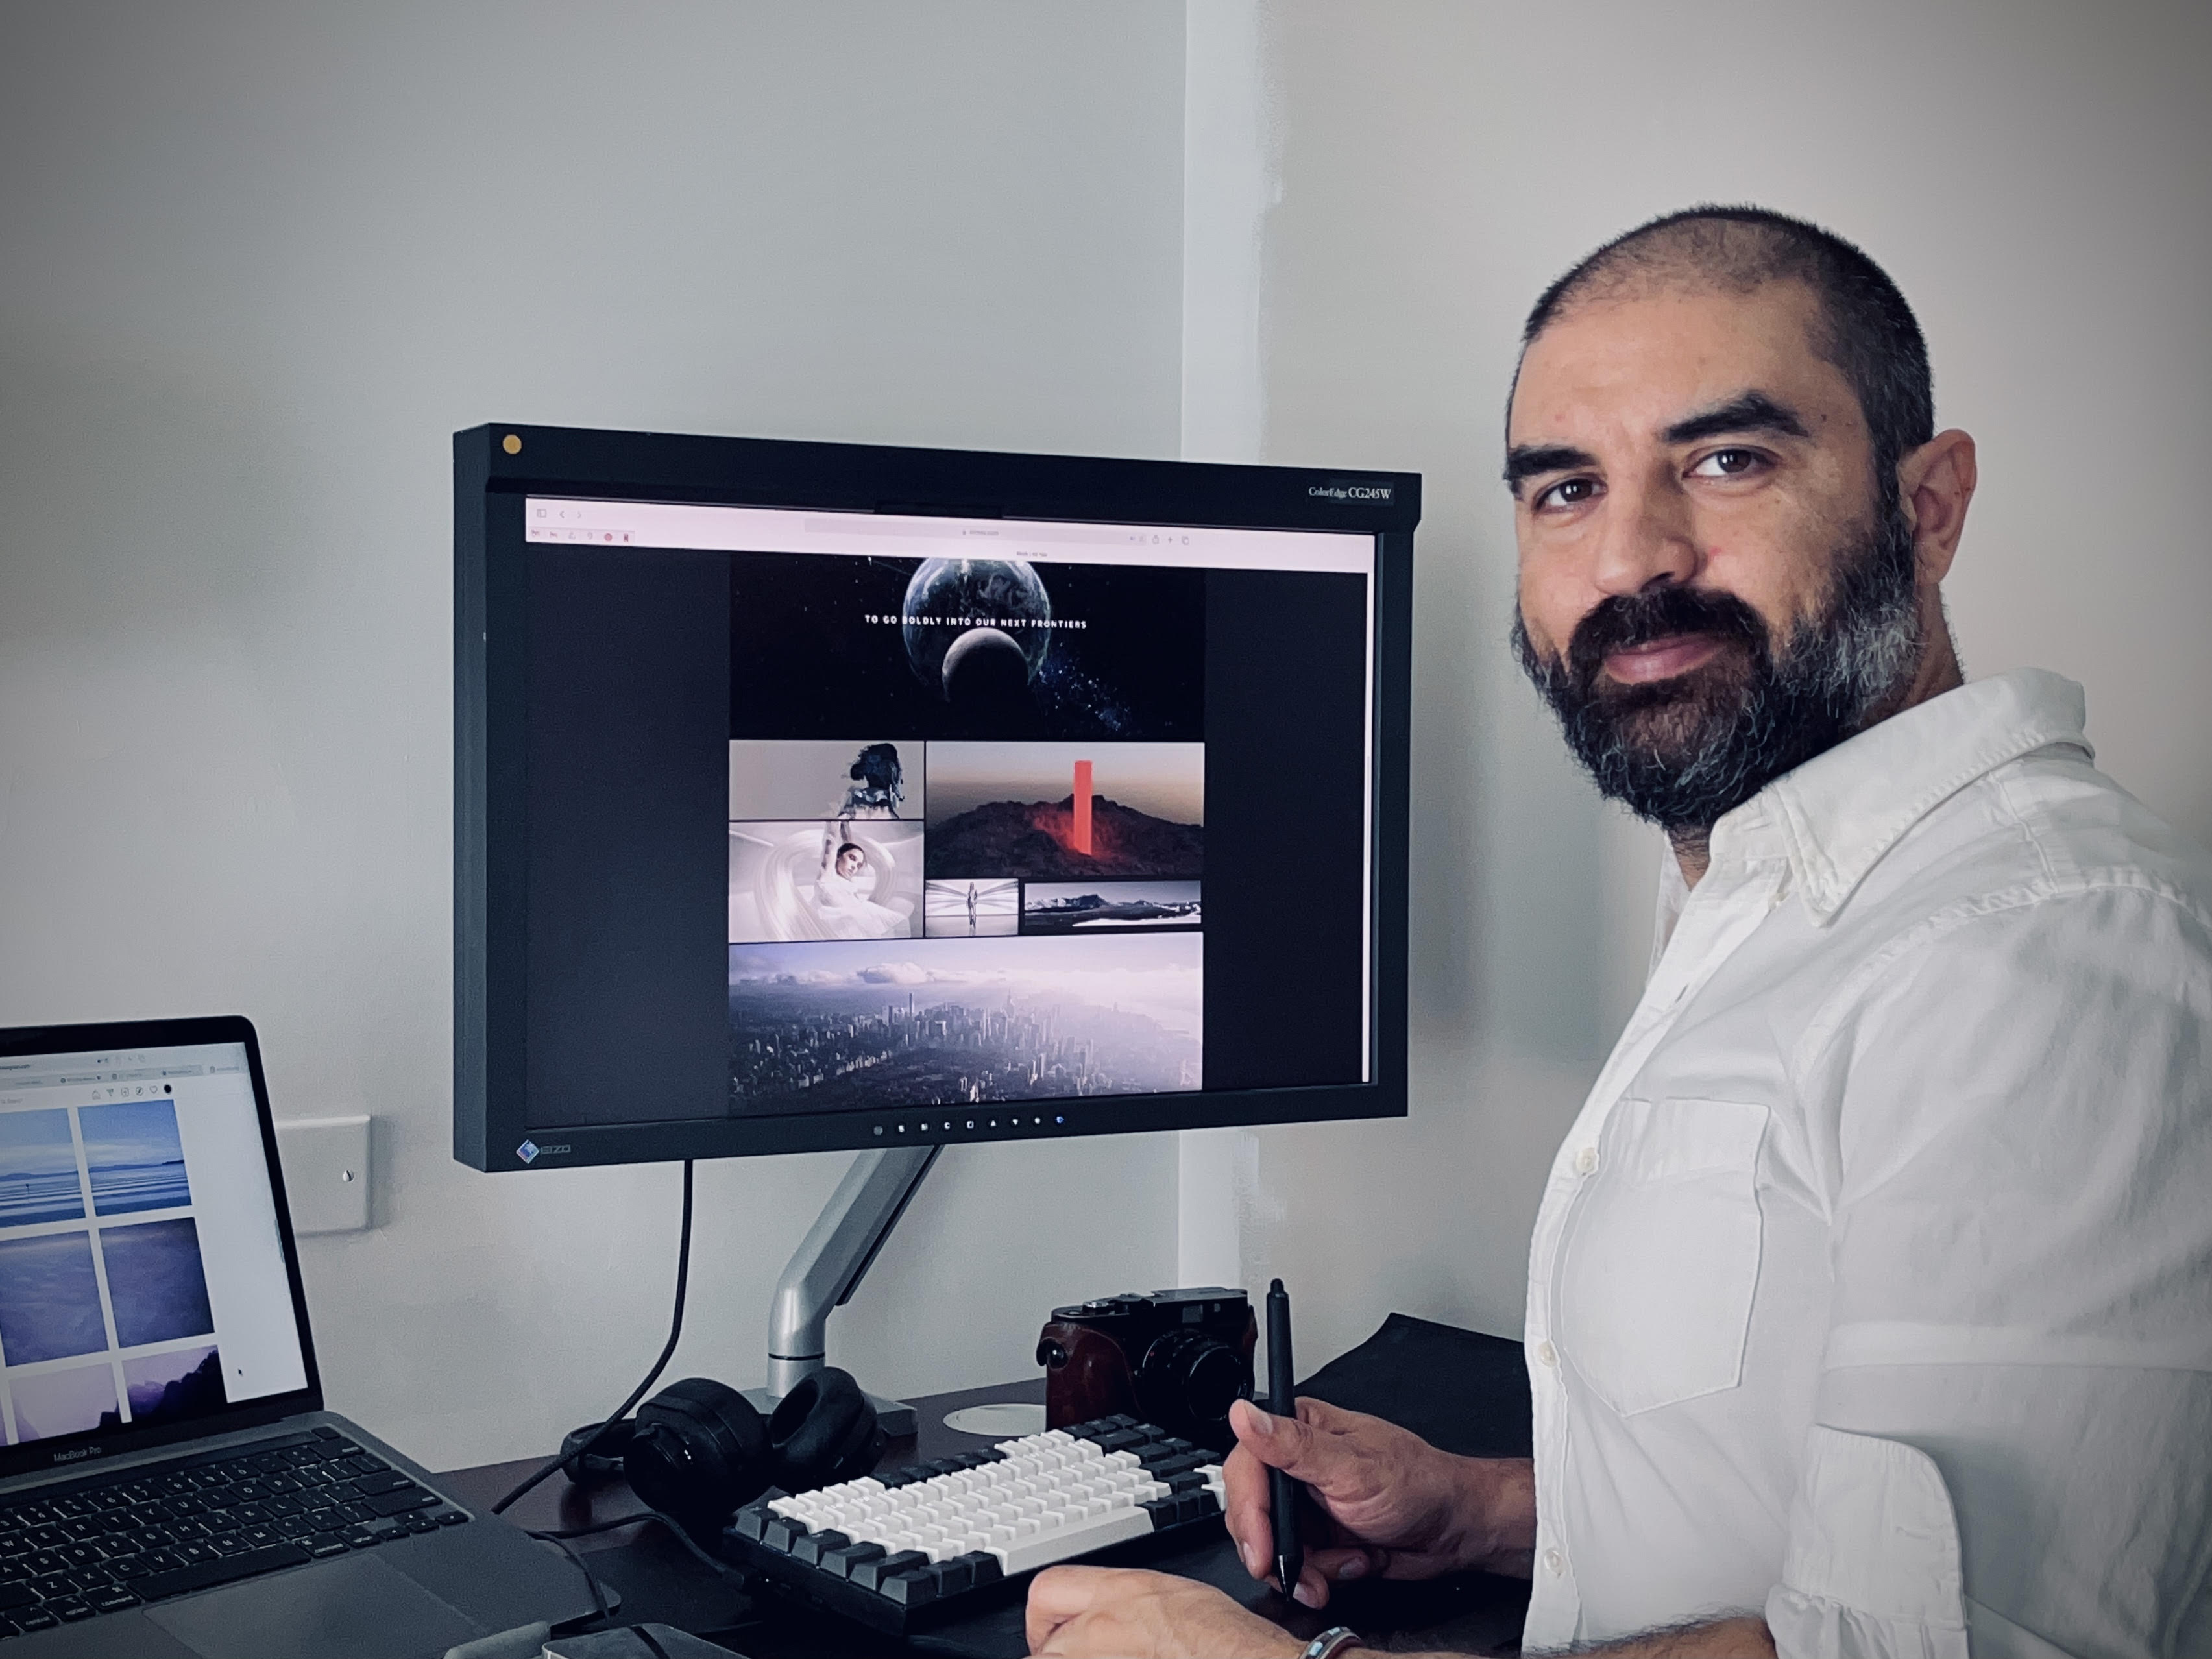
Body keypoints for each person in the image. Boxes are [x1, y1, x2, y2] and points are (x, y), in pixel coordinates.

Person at [1024, 206, 2212, 1658]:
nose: (1634, 555)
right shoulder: (1774, 910)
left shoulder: (2042, 960)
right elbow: (1794, 1494)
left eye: (1728, 460)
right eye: (1566, 488)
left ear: (1929, 506)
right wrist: (1481, 1512)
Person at [813, 834, 907, 939]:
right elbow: (832, 839)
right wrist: (837, 820)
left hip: (857, 917)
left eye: (859, 865)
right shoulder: (828, 874)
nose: (854, 867)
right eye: (852, 859)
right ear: (838, 855)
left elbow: (846, 838)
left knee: (900, 922)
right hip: (840, 921)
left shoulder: (847, 884)